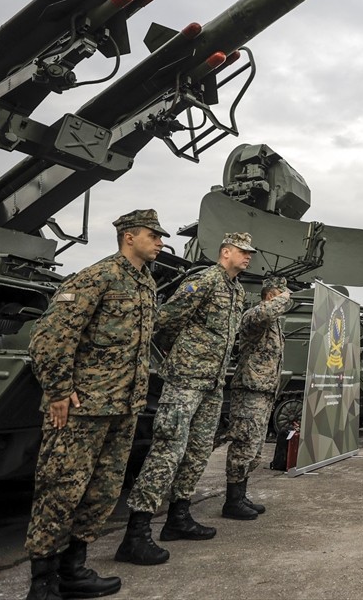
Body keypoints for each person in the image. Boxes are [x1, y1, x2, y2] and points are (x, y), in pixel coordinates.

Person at [24, 210, 166, 599]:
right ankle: (43, 583)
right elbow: (49, 337)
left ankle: (74, 570)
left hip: (123, 406)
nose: (160, 242)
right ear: (129, 237)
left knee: (101, 493)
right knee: (60, 491)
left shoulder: (145, 283)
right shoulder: (97, 276)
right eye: (153, 235)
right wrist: (56, 390)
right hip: (83, 408)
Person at [118, 232, 254, 565]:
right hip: (185, 379)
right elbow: (166, 320)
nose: (248, 256)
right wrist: (183, 356)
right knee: (168, 449)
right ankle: (135, 534)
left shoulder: (236, 290)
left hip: (212, 383)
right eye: (242, 251)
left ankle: (178, 518)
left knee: (196, 452)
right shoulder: (206, 280)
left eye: (250, 252)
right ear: (225, 253)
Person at [222, 276, 292, 520]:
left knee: (255, 449)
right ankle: (232, 501)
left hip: (264, 392)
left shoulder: (274, 324)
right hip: (250, 391)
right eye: (282, 295)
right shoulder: (255, 316)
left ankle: (240, 494)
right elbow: (263, 314)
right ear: (271, 296)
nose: (288, 299)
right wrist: (283, 299)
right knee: (243, 443)